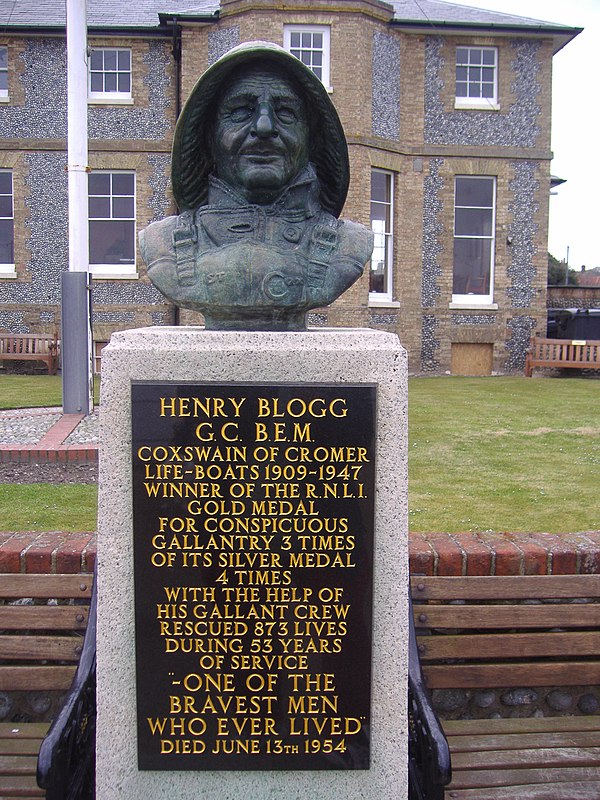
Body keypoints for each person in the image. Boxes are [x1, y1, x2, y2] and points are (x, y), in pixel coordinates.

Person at [139, 41, 373, 331]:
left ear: (312, 139)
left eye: (286, 112)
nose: (264, 127)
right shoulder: (163, 243)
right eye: (240, 111)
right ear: (209, 137)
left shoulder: (349, 243)